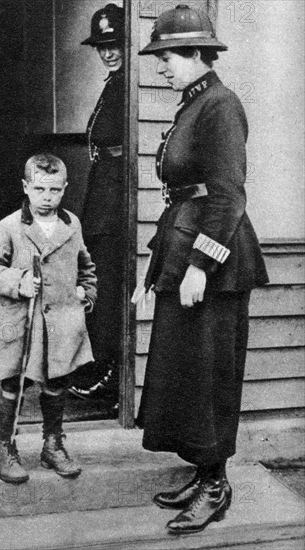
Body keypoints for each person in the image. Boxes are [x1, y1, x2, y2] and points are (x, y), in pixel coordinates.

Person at [136, 5, 269, 535]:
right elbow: (182, 197)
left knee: (210, 376)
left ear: (196, 54)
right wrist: (156, 269)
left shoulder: (221, 106)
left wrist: (199, 267)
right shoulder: (194, 105)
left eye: (166, 57)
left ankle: (217, 486)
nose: (161, 68)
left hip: (216, 260)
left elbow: (228, 196)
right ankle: (203, 470)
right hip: (184, 245)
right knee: (188, 373)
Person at [0, 154, 97, 484]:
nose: (47, 197)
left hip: (60, 323)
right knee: (13, 383)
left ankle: (52, 445)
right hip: (21, 323)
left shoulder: (71, 225)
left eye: (55, 190)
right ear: (26, 187)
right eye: (40, 189)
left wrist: (85, 294)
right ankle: (5, 449)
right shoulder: (8, 227)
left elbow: (87, 268)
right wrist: (18, 282)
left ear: (65, 189)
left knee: (57, 382)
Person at [69, 4, 124, 402]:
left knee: (108, 291)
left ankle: (109, 373)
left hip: (118, 204)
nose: (108, 52)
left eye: (115, 43)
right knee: (98, 287)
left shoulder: (126, 87)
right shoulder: (113, 84)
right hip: (103, 200)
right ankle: (99, 366)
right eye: (102, 46)